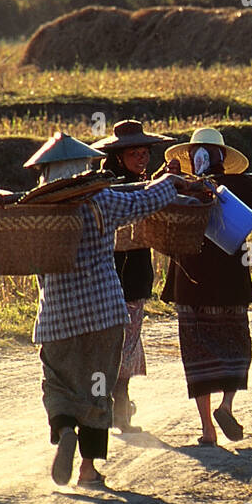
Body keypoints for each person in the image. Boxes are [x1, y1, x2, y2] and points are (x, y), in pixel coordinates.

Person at [24, 128, 207, 488]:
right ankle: (88, 469)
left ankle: (63, 432)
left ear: (45, 173)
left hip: (57, 318)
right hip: (105, 313)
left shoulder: (31, 212)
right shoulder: (103, 202)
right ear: (85, 168)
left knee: (57, 383)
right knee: (97, 390)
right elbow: (143, 203)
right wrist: (171, 183)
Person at [160, 126, 252, 446]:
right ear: (221, 157)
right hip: (229, 283)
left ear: (193, 156)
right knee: (235, 346)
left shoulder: (175, 186)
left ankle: (207, 429)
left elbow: (149, 201)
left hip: (189, 285)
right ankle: (226, 405)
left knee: (196, 353)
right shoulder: (237, 184)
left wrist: (167, 177)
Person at [96, 119, 173, 431]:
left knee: (120, 345)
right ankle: (120, 413)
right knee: (122, 347)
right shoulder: (116, 189)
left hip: (132, 272)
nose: (142, 158)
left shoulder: (138, 184)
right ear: (118, 157)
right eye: (135, 154)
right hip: (119, 275)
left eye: (145, 153)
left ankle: (116, 409)